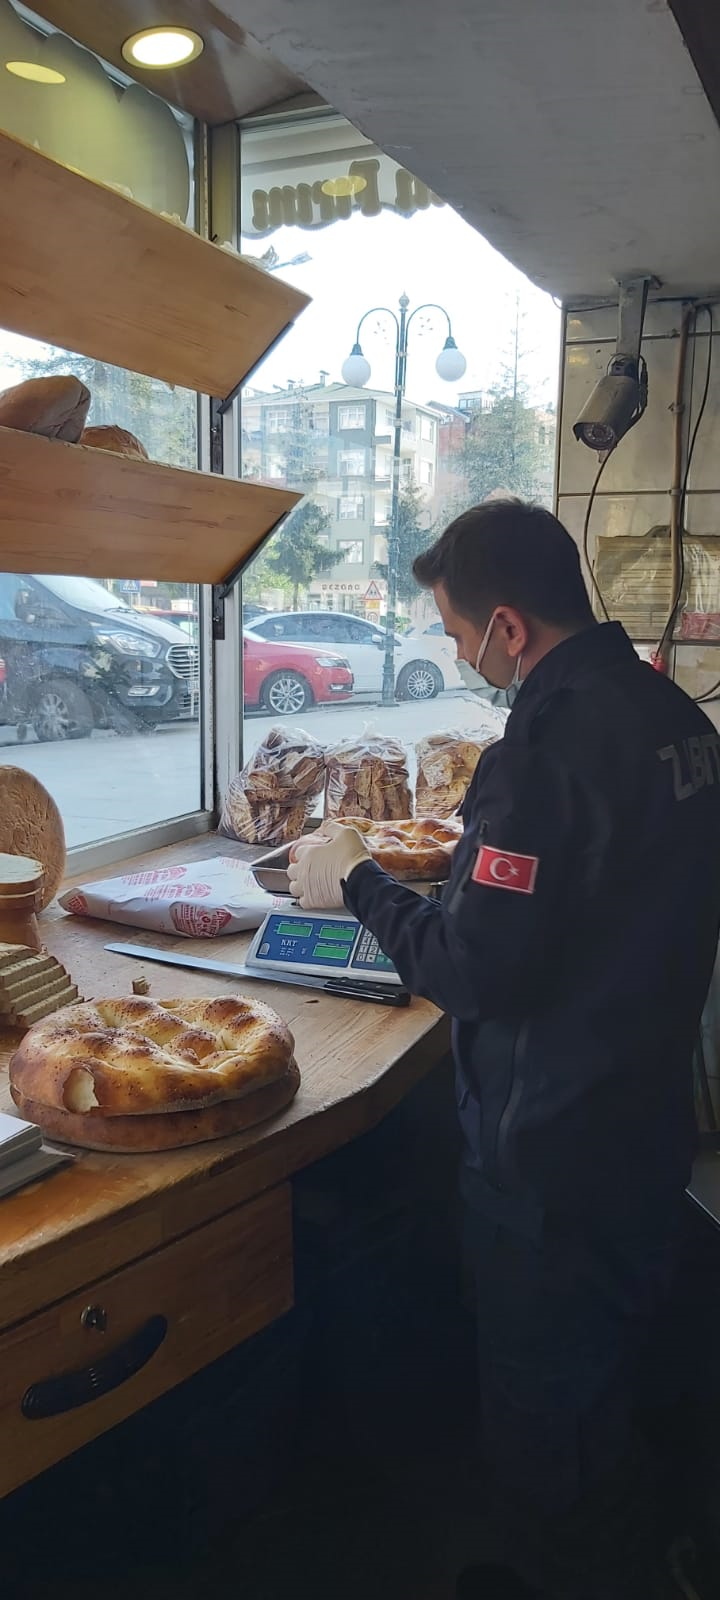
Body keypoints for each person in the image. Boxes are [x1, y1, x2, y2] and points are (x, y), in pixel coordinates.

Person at [288, 501, 720, 1600]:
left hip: (550, 1150)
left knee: (547, 1415)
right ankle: (648, 1547)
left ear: (510, 629)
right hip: (644, 1113)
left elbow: (476, 971)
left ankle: (575, 1571)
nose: (458, 653)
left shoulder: (537, 756)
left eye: (456, 631)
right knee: (620, 1369)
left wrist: (360, 880)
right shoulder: (680, 720)